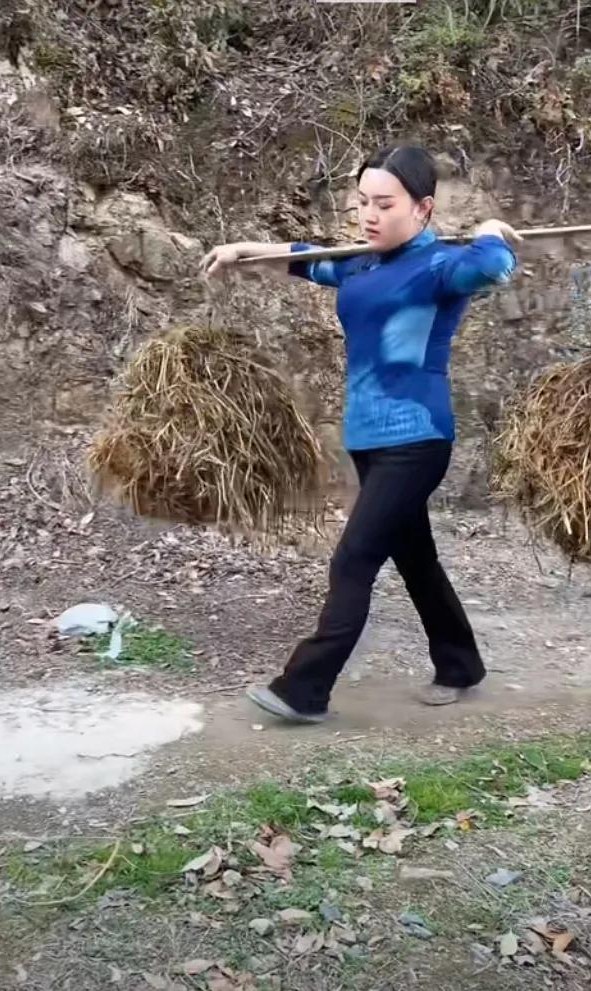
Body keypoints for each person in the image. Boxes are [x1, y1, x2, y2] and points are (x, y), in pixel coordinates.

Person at [201, 145, 520, 723]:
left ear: (423, 208)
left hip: (416, 440)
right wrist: (245, 249)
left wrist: (490, 229)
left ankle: (304, 689)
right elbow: (308, 259)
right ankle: (460, 665)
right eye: (363, 203)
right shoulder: (361, 263)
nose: (369, 215)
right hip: (369, 440)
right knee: (415, 559)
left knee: (354, 558)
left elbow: (495, 266)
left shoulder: (441, 267)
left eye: (385, 204)